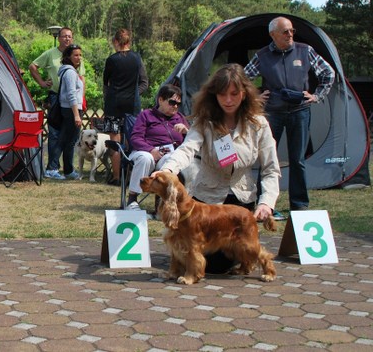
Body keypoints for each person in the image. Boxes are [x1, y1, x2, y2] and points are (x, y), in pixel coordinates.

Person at [153, 63, 280, 272]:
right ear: (214, 95)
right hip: (207, 198)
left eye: (234, 94)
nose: (228, 100)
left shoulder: (259, 124)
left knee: (228, 258)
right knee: (210, 264)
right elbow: (186, 149)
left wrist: (266, 203)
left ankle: (242, 256)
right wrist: (168, 170)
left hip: (240, 200)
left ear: (244, 93)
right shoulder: (205, 122)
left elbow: (270, 169)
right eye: (222, 94)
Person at [245, 16, 335, 215]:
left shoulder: (305, 50)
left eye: (292, 31)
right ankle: (264, 204)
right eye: (285, 31)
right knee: (267, 159)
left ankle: (299, 204)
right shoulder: (262, 56)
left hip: (300, 111)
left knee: (298, 159)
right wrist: (255, 96)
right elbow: (242, 79)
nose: (290, 35)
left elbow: (328, 73)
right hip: (272, 113)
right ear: (273, 34)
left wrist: (317, 96)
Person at [29, 27, 86, 180]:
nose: (67, 39)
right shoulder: (51, 54)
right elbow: (32, 66)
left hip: (72, 101)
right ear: (59, 38)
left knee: (70, 137)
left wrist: (82, 101)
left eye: (70, 36)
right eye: (64, 36)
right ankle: (52, 167)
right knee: (55, 134)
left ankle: (68, 169)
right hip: (57, 97)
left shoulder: (75, 56)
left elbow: (82, 79)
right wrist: (41, 82)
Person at [125, 84, 189, 210]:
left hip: (168, 155)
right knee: (146, 158)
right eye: (172, 102)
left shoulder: (180, 118)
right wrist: (150, 149)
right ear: (160, 100)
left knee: (171, 159)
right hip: (144, 151)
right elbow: (135, 138)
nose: (175, 106)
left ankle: (161, 205)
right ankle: (132, 200)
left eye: (178, 104)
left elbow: (191, 142)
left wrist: (187, 132)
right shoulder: (146, 115)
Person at [103, 28, 149, 186]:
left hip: (114, 104)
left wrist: (107, 99)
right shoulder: (137, 58)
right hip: (132, 106)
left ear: (115, 41)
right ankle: (129, 176)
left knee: (114, 141)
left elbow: (106, 83)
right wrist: (135, 93)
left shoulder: (111, 60)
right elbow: (144, 82)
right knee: (132, 139)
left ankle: (116, 177)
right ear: (129, 41)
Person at [47, 44, 84, 180]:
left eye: (80, 55)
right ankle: (51, 169)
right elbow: (71, 94)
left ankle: (68, 170)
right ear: (68, 57)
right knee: (63, 140)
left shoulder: (71, 71)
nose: (78, 58)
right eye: (75, 55)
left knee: (70, 141)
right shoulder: (69, 73)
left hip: (72, 109)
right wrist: (76, 115)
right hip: (70, 110)